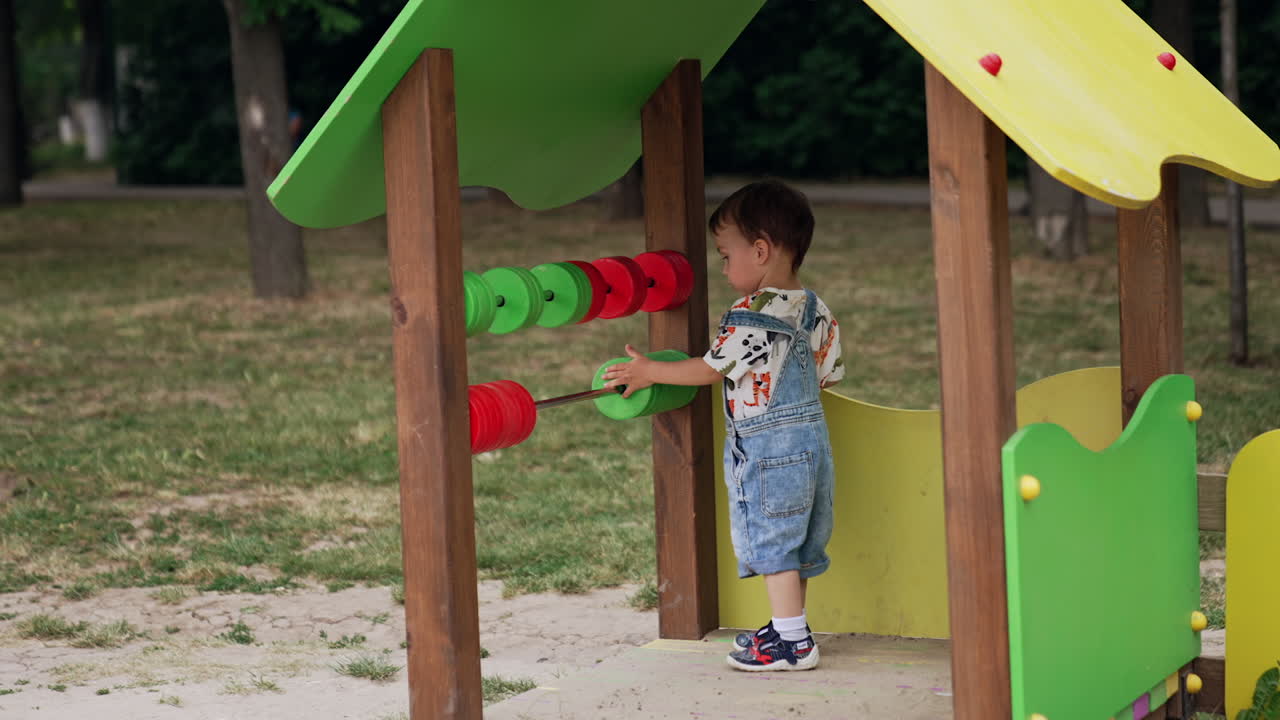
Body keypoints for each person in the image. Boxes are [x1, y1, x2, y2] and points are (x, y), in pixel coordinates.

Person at [602, 179, 844, 671]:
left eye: (725, 256)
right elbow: (828, 375)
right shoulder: (816, 308)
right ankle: (788, 625)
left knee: (774, 544)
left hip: (770, 449)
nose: (724, 266)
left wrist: (650, 371)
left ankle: (793, 644)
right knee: (796, 542)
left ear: (760, 251)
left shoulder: (750, 314)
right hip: (813, 446)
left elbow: (712, 369)